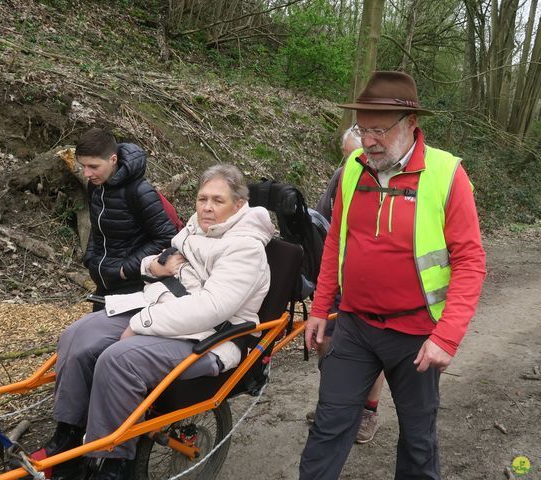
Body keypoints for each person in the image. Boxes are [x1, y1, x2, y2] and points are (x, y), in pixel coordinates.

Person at [300, 71, 486, 479]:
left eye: (379, 130)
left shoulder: (446, 174)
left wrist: (447, 336)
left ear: (411, 125)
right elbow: (335, 244)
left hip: (417, 335)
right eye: (363, 129)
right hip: (354, 327)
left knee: (419, 442)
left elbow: (471, 262)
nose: (369, 141)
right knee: (328, 428)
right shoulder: (353, 167)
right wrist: (319, 308)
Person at [40, 164, 275, 480]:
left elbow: (211, 308)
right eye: (202, 198)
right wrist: (154, 265)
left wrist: (140, 323)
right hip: (164, 305)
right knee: (78, 335)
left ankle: (114, 465)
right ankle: (67, 440)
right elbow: (165, 259)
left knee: (119, 361)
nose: (207, 207)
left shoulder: (245, 247)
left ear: (238, 204)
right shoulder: (198, 226)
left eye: (217, 201)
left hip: (212, 335)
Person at [309, 127, 385, 444]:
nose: (357, 157)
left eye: (362, 151)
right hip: (339, 276)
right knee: (327, 341)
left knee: (373, 350)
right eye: (350, 152)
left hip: (375, 283)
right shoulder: (343, 174)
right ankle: (336, 404)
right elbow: (321, 218)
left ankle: (368, 412)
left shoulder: (391, 179)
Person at [77, 128, 176, 309]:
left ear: (113, 160)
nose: (87, 174)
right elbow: (97, 227)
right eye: (83, 166)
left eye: (93, 166)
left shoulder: (140, 192)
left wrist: (126, 269)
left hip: (134, 287)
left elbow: (166, 237)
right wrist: (91, 258)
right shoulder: (96, 187)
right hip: (104, 282)